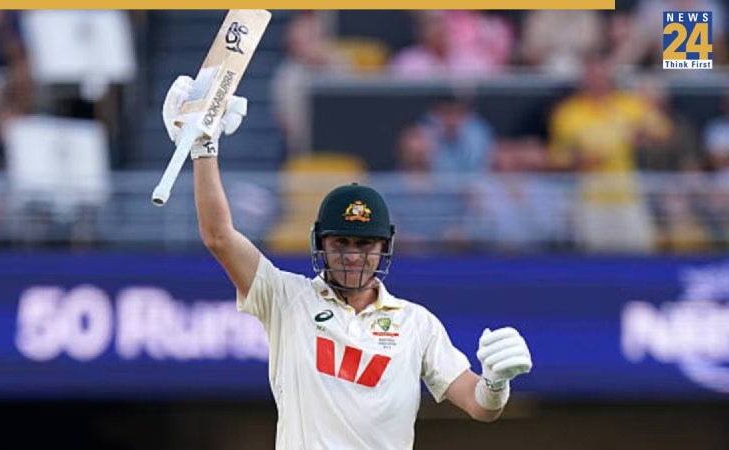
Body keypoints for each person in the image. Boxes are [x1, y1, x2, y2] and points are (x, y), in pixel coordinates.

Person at [161, 75, 533, 449]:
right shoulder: (286, 300)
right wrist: (204, 147)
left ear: (384, 247)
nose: (354, 255)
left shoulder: (416, 323)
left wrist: (496, 384)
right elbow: (219, 236)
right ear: (322, 243)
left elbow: (479, 405)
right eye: (342, 242)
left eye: (365, 243)